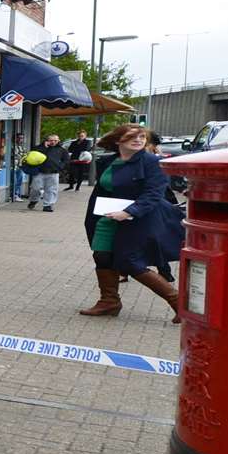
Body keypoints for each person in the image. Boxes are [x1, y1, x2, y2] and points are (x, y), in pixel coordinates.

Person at [80, 124, 185, 321]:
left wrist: (129, 212)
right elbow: (103, 190)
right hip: (107, 219)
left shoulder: (153, 162)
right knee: (102, 257)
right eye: (132, 137)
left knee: (130, 262)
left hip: (138, 220)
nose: (138, 140)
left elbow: (154, 193)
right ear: (119, 140)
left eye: (142, 137)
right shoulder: (110, 161)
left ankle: (179, 302)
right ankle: (109, 302)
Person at [27, 134, 69, 212]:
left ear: (58, 140)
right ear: (47, 140)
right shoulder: (40, 147)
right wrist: (43, 147)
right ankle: (34, 200)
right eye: (51, 140)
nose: (53, 142)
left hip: (53, 172)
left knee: (51, 189)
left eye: (55, 140)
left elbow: (66, 160)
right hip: (39, 172)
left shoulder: (62, 150)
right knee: (35, 188)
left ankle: (47, 205)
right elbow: (33, 154)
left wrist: (60, 167)